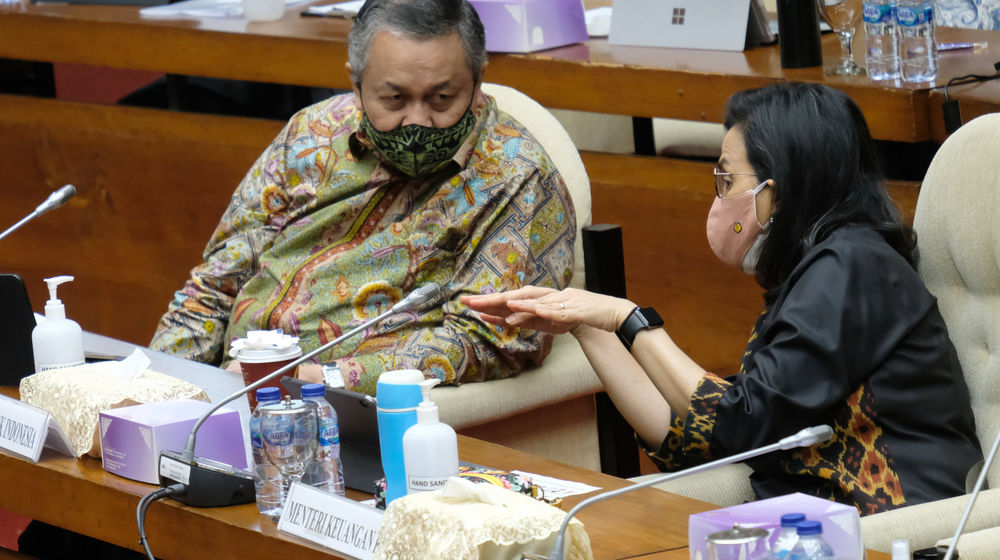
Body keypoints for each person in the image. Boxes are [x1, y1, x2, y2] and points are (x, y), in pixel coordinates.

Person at [464, 82, 982, 515]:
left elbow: (738, 420)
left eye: (727, 180)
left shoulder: (853, 266)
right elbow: (689, 439)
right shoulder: (818, 272)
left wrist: (629, 318)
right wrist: (583, 323)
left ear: (778, 192)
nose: (718, 199)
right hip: (817, 520)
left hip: (899, 522)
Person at [149, 0, 576, 396]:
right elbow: (215, 284)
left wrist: (326, 379)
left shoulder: (516, 176)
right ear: (355, 83)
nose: (418, 122)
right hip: (230, 388)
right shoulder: (312, 133)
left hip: (346, 410)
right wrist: (161, 386)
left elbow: (495, 339)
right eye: (394, 99)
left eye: (441, 98)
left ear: (479, 79)